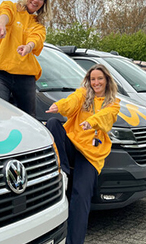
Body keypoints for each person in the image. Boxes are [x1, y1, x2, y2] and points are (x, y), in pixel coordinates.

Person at [45, 64, 120, 244]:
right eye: (93, 79)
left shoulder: (113, 103)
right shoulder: (83, 94)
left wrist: (92, 122)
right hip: (73, 145)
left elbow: (107, 117)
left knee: (80, 195)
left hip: (91, 155)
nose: (96, 82)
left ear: (107, 80)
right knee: (53, 123)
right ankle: (64, 171)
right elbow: (72, 102)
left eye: (100, 78)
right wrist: (59, 105)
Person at [0, 0, 52, 117]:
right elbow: (5, 13)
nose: (36, 0)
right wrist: (1, 24)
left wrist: (28, 46)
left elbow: (36, 38)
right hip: (0, 74)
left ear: (43, 3)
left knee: (28, 117)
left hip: (25, 77)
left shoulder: (38, 25)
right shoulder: (11, 7)